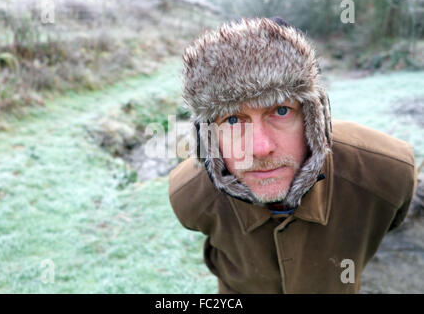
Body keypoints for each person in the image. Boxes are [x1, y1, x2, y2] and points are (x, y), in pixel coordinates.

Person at [168, 17, 417, 294]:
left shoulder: (387, 174)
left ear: (314, 117)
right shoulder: (190, 197)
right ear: (209, 136)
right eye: (234, 120)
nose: (261, 148)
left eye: (281, 111)